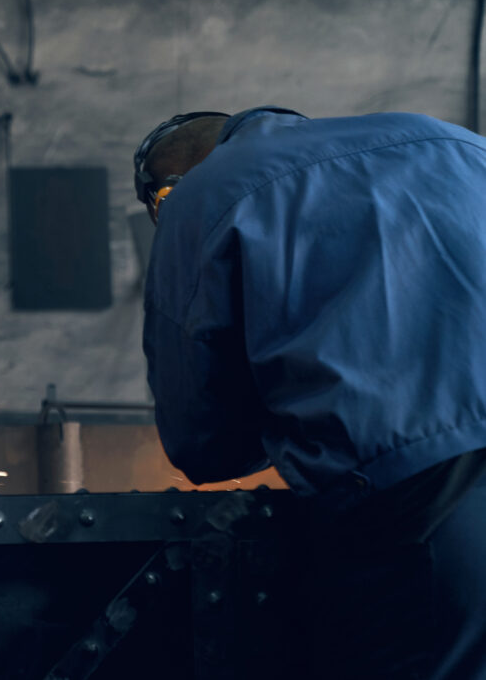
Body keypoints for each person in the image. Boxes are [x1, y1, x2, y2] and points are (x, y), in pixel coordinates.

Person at [134, 106, 486, 678]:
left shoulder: (204, 194)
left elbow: (200, 439)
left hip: (426, 498)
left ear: (167, 188)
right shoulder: (452, 141)